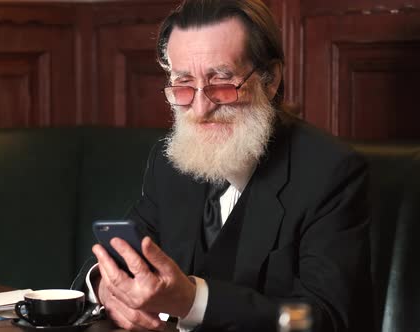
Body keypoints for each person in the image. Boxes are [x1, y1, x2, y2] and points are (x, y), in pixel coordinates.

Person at [76, 1, 373, 331]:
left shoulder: (330, 173)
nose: (201, 109)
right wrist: (106, 289)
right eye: (184, 83)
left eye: (221, 81)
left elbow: (322, 319)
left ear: (270, 79)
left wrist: (194, 302)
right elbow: (116, 255)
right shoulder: (171, 161)